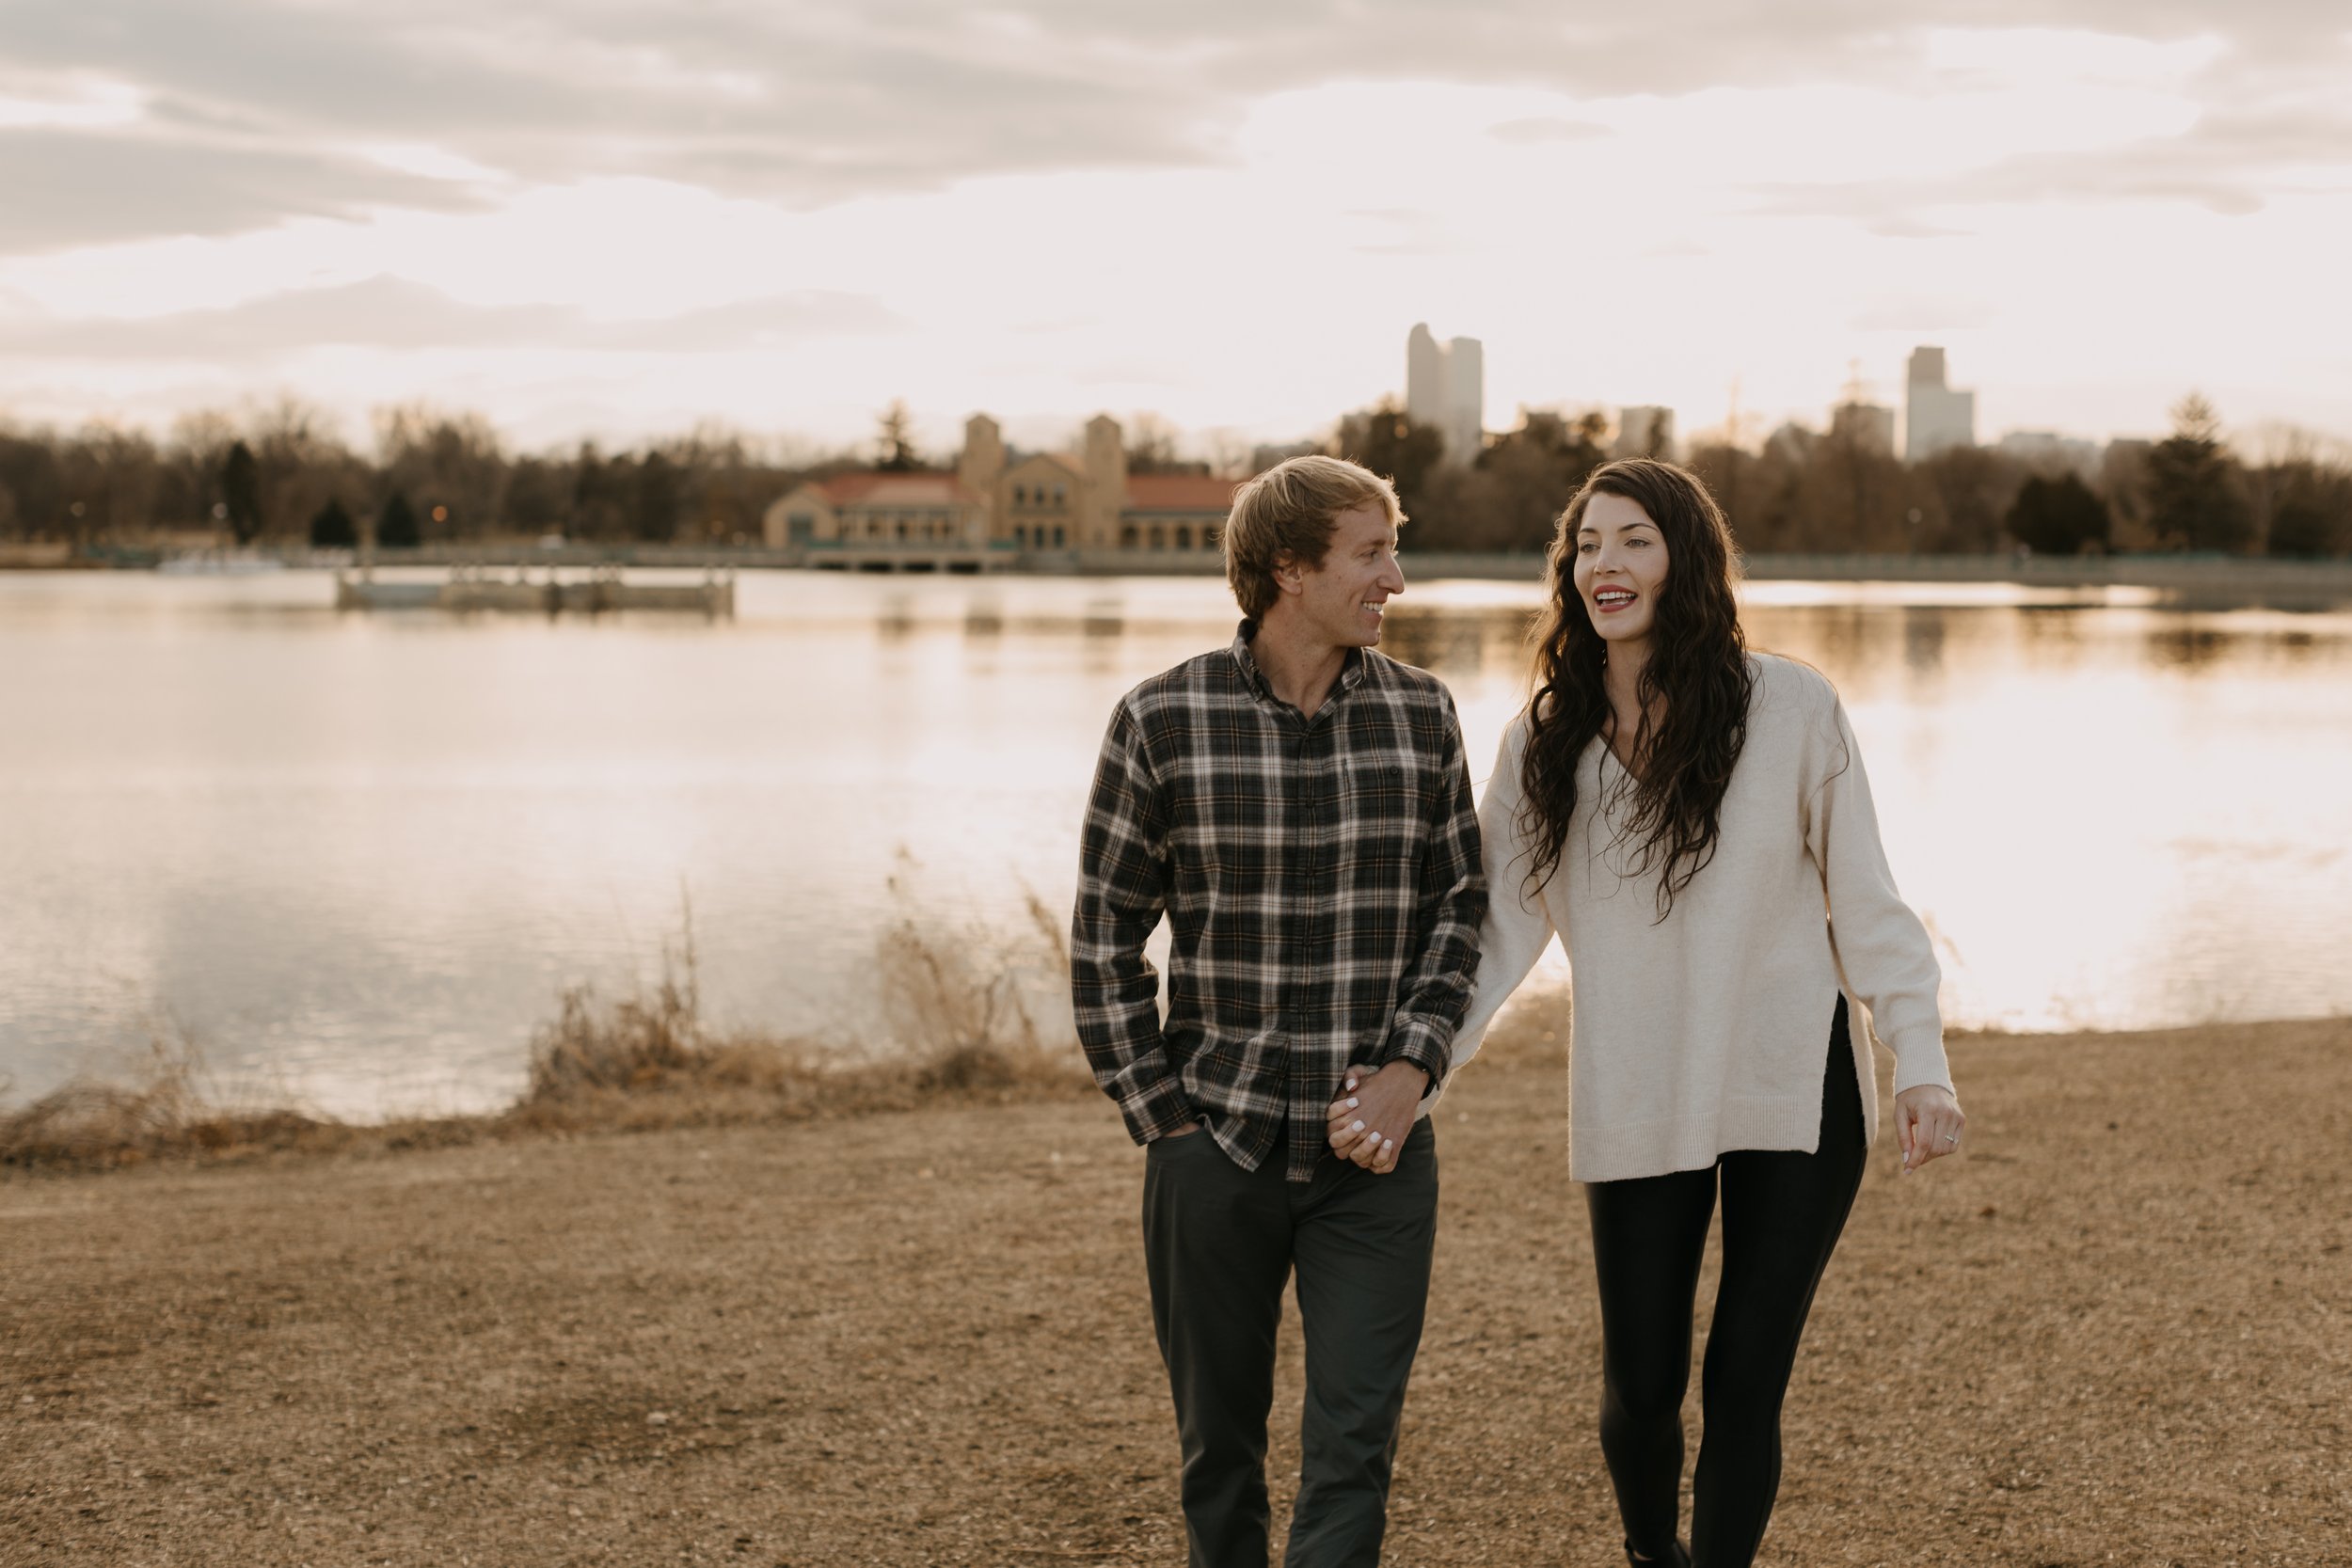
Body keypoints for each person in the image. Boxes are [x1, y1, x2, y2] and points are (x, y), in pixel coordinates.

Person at [1331, 458, 1964, 1568]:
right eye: (1585, 544)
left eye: (1633, 540)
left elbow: (1866, 901)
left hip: (1793, 1086)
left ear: (1686, 558)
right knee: (1641, 1386)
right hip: (1635, 1082)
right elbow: (1493, 933)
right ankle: (1647, 1549)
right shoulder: (1545, 743)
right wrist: (1413, 1066)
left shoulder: (1792, 705)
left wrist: (1918, 1058)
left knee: (1744, 1378)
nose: (1604, 565)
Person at [1071, 453, 1486, 1568]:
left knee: (1354, 1446)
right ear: (1290, 569)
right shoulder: (1162, 720)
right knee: (1219, 1450)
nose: (1395, 576)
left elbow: (1459, 911)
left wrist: (1412, 1067)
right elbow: (1104, 942)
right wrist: (1165, 1119)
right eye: (1371, 552)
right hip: (1215, 1150)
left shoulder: (1421, 714)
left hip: (1377, 1156)